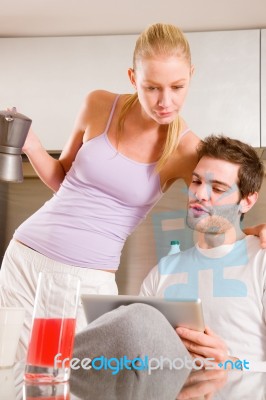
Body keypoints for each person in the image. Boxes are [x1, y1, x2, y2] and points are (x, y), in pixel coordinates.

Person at [0, 23, 265, 359]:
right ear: (132, 78)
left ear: (192, 76)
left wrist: (255, 229)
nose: (165, 101)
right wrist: (32, 146)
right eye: (152, 87)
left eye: (177, 87)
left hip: (88, 277)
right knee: (12, 377)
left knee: (76, 384)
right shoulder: (99, 104)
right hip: (25, 257)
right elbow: (63, 179)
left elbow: (224, 198)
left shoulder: (187, 150)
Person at [140, 135, 266, 367]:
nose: (199, 194)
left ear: (247, 201)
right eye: (196, 181)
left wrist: (229, 363)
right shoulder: (163, 271)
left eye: (217, 188)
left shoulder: (261, 262)